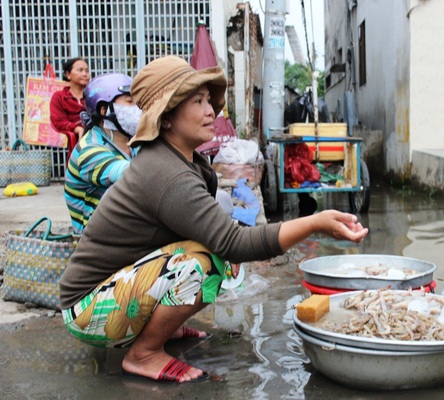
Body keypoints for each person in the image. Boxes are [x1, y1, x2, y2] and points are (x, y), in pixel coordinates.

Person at [59, 55, 368, 383]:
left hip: (117, 290)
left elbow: (215, 231)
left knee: (214, 252)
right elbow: (235, 244)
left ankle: (159, 327)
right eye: (197, 101)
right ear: (165, 118)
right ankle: (143, 353)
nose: (211, 111)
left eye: (209, 100)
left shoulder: (185, 162)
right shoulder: (165, 173)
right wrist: (315, 221)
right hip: (88, 311)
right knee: (206, 261)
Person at [64, 73, 141, 236]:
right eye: (130, 101)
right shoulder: (89, 149)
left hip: (127, 234)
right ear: (104, 110)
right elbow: (136, 175)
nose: (138, 109)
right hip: (98, 247)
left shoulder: (133, 145)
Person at [50, 57, 91, 158]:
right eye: (80, 70)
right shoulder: (59, 97)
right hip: (72, 141)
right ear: (68, 75)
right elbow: (58, 121)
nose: (85, 74)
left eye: (87, 70)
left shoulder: (92, 95)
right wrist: (77, 129)